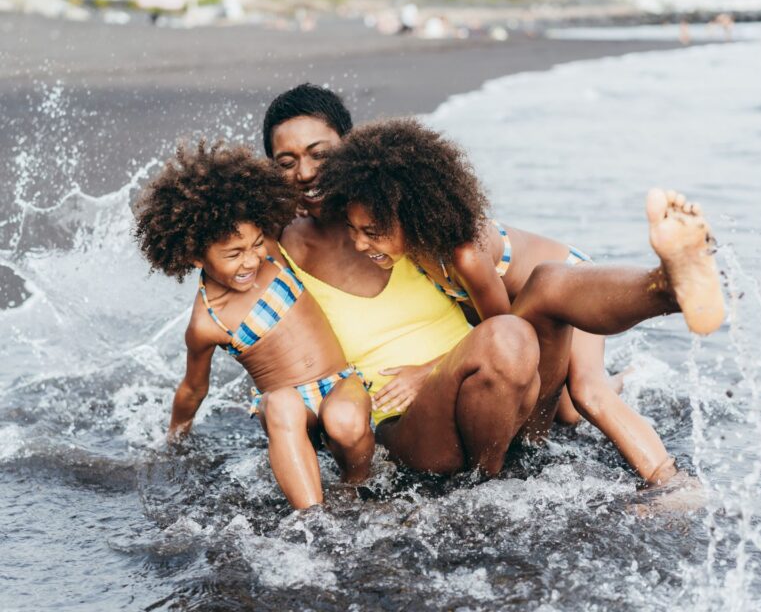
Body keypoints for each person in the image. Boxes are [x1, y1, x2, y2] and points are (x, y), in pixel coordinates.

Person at [263, 85, 722, 483]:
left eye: (319, 154)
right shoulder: (281, 246)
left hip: (525, 352)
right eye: (286, 162)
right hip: (440, 408)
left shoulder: (410, 219)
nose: (305, 173)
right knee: (567, 392)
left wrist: (432, 368)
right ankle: (659, 302)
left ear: (351, 148)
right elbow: (242, 299)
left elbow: (496, 310)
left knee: (555, 314)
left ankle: (667, 289)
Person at [134, 140, 373, 509]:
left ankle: (358, 488)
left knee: (343, 419)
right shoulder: (207, 322)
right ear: (195, 254)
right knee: (279, 403)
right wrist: (175, 437)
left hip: (340, 384)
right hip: (294, 411)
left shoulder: (273, 254)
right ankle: (314, 519)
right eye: (233, 254)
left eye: (256, 244)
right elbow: (192, 389)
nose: (249, 261)